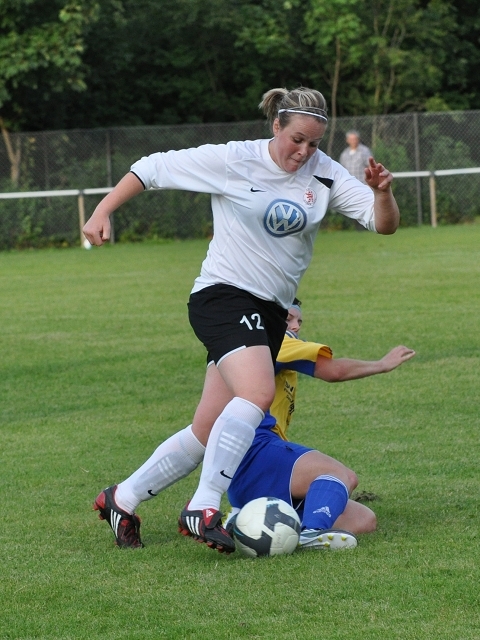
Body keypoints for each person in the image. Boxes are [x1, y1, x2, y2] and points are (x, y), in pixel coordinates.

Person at [83, 86, 400, 555]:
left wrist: (382, 193)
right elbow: (151, 168)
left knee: (206, 429)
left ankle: (122, 499)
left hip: (270, 313)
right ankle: (203, 506)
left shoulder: (326, 173)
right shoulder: (236, 159)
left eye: (314, 143)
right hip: (223, 295)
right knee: (257, 393)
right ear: (276, 126)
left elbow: (383, 224)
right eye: (296, 139)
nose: (304, 151)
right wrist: (103, 209)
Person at [225, 300, 416, 550]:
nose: (295, 326)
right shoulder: (272, 339)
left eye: (299, 321)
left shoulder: (261, 347)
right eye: (288, 319)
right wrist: (381, 364)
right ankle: (311, 533)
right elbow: (332, 371)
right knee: (340, 475)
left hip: (253, 466)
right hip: (255, 453)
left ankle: (246, 522)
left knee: (362, 518)